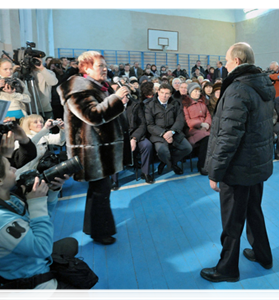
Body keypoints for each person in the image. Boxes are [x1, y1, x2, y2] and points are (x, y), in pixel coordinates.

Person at [201, 42, 275, 283]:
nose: (225, 65)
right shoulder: (261, 84)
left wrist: (215, 171)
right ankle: (264, 255)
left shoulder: (237, 89)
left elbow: (228, 135)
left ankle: (227, 268)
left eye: (227, 60)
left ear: (238, 61)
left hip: (238, 167)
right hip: (256, 164)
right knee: (254, 211)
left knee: (232, 221)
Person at [0, 152, 89, 300]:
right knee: (80, 295)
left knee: (71, 244)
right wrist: (37, 203)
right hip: (21, 284)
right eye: (9, 168)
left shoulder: (9, 200)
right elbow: (42, 247)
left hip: (25, 261)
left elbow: (39, 220)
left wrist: (52, 192)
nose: (14, 170)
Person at [57, 51, 132, 245]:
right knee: (100, 192)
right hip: (91, 151)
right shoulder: (78, 89)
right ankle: (100, 232)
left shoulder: (97, 87)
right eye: (100, 66)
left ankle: (97, 229)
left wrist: (118, 102)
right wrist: (116, 98)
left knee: (100, 191)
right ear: (86, 68)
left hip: (100, 149)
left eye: (105, 66)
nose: (105, 69)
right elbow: (93, 116)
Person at [111, 86, 155, 189]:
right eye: (123, 94)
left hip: (134, 135)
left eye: (127, 94)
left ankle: (145, 173)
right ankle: (114, 180)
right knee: (114, 150)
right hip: (119, 137)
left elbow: (142, 125)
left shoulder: (136, 105)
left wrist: (134, 138)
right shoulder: (111, 107)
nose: (125, 97)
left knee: (147, 145)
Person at [145, 83, 192, 175]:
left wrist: (171, 132)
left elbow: (180, 120)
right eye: (162, 92)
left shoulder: (175, 103)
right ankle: (172, 164)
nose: (164, 95)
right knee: (162, 151)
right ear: (158, 92)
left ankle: (168, 163)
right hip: (158, 134)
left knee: (187, 148)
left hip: (174, 132)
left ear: (170, 94)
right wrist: (163, 133)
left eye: (167, 93)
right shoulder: (149, 105)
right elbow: (150, 125)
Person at [181, 82, 211, 175]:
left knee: (215, 137)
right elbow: (188, 121)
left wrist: (207, 124)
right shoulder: (185, 104)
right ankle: (202, 165)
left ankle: (210, 163)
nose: (198, 93)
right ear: (190, 92)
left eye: (199, 91)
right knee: (207, 139)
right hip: (193, 130)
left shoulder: (203, 102)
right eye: (195, 91)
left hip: (205, 128)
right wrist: (201, 124)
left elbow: (208, 115)